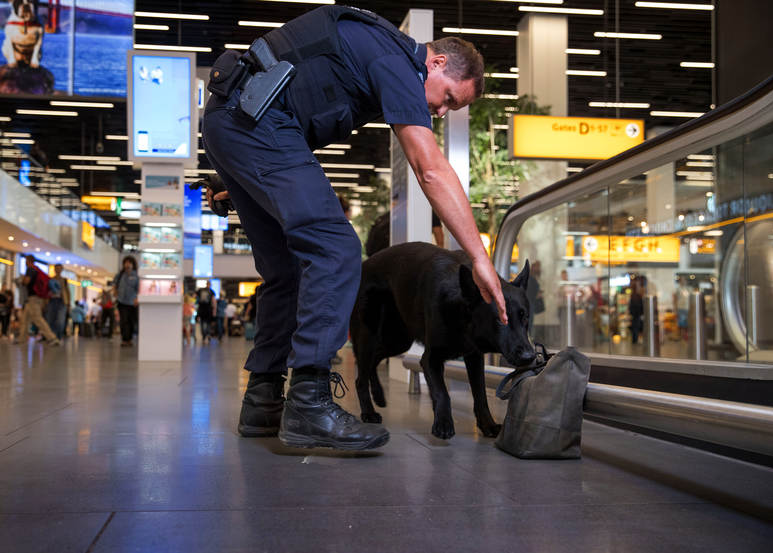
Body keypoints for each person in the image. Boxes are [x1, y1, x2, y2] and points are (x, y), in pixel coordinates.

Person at [203, 6, 506, 451]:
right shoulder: (400, 61)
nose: (441, 112)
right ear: (437, 63)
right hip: (255, 124)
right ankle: (308, 403)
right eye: (447, 99)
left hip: (235, 123)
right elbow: (430, 169)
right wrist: (480, 258)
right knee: (337, 248)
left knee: (287, 272)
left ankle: (263, 399)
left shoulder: (379, 52)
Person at [15, 255, 59, 346]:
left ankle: (52, 338)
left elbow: (26, 281)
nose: (26, 263)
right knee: (25, 319)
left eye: (26, 261)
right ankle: (21, 339)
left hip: (33, 298)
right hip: (33, 298)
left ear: (28, 260)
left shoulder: (30, 269)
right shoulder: (36, 269)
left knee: (37, 318)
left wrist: (21, 280)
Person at [113, 256, 139, 347]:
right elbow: (115, 285)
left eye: (129, 263)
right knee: (124, 321)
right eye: (126, 263)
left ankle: (130, 339)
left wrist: (137, 298)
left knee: (132, 321)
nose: (127, 265)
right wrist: (115, 292)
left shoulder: (136, 275)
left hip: (132, 302)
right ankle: (124, 339)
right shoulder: (119, 275)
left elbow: (139, 289)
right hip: (121, 301)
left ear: (133, 264)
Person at [46, 263, 70, 340]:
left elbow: (67, 292)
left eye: (59, 268)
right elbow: (47, 291)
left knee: (60, 321)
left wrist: (68, 303)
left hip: (62, 302)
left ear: (61, 270)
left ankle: (58, 336)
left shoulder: (64, 280)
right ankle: (52, 337)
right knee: (50, 320)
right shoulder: (50, 280)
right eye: (56, 268)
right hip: (52, 301)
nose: (58, 270)